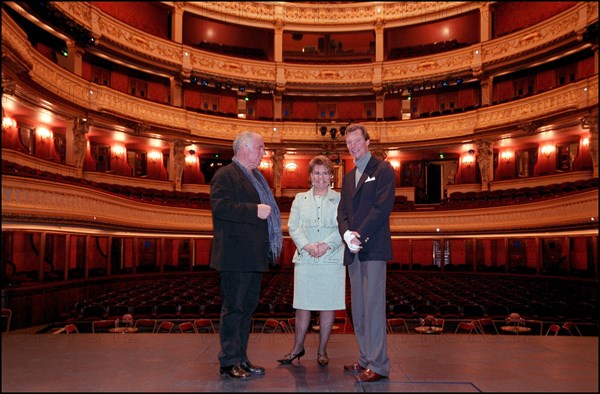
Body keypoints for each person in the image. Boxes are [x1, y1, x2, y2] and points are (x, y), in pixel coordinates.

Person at [210, 131, 283, 379]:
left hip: (253, 257)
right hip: (234, 256)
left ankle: (241, 358)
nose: (264, 152)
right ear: (244, 148)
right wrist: (255, 210)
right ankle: (229, 361)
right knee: (234, 309)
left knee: (246, 310)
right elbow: (221, 208)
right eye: (260, 148)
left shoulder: (255, 178)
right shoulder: (225, 174)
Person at [337, 123, 395, 383]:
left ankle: (379, 365)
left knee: (373, 308)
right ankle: (365, 358)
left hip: (372, 248)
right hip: (353, 249)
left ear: (368, 142)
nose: (353, 146)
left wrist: (358, 235)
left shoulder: (383, 170)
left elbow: (381, 209)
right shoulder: (348, 177)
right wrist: (346, 234)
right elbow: (342, 212)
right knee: (358, 309)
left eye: (357, 141)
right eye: (349, 143)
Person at [277, 155, 345, 367]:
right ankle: (297, 348)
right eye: (317, 173)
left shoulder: (340, 199)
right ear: (310, 176)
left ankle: (322, 350)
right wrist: (307, 246)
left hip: (331, 259)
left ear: (331, 176)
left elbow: (344, 226)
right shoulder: (299, 199)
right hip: (306, 258)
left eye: (325, 173)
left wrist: (325, 246)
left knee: (327, 306)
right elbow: (293, 227)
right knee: (303, 305)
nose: (321, 177)